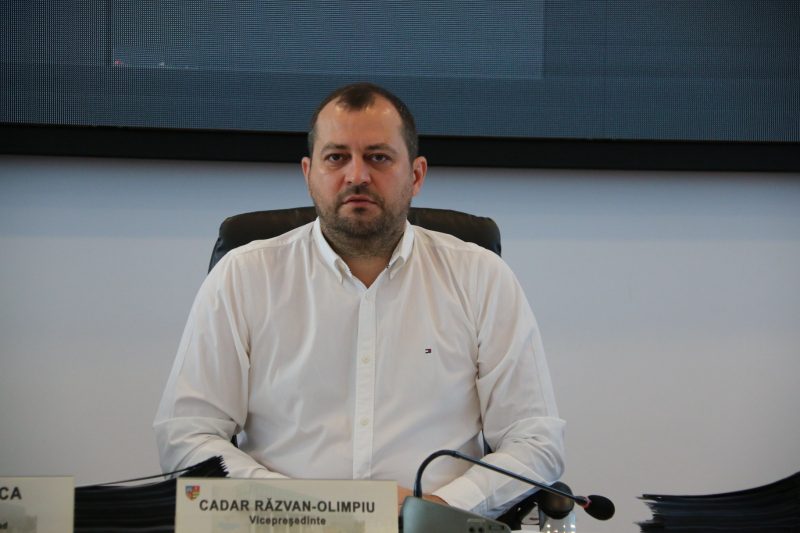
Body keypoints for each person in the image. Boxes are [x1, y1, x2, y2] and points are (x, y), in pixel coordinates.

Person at [154, 82, 565, 517]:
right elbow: (187, 435)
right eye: (336, 158)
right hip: (283, 524)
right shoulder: (243, 276)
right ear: (308, 174)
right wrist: (304, 509)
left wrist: (439, 507)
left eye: (378, 157)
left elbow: (535, 440)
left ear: (416, 175)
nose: (356, 176)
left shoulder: (482, 277)